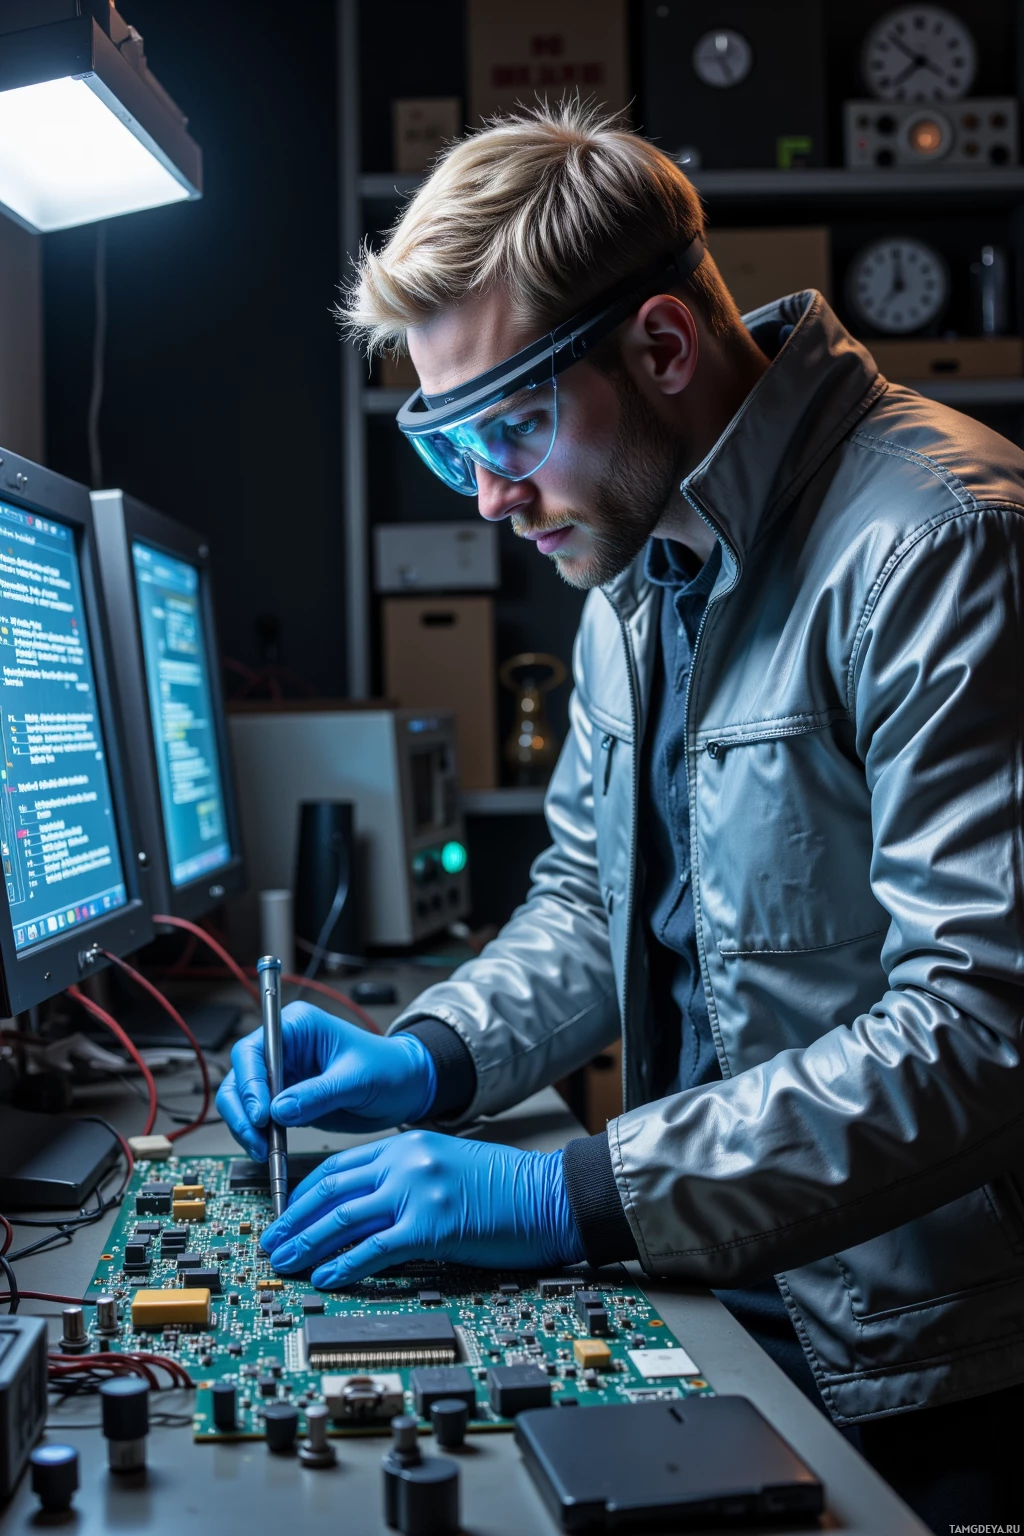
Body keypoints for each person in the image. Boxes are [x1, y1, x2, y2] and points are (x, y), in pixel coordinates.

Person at [218, 102, 1024, 1531]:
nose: (489, 498)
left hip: (928, 1361)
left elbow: (980, 1028)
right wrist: (434, 1054)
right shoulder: (636, 567)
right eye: (447, 445)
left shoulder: (941, 541)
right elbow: (595, 902)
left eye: (514, 426)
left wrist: (570, 1195)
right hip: (724, 1285)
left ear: (661, 348)